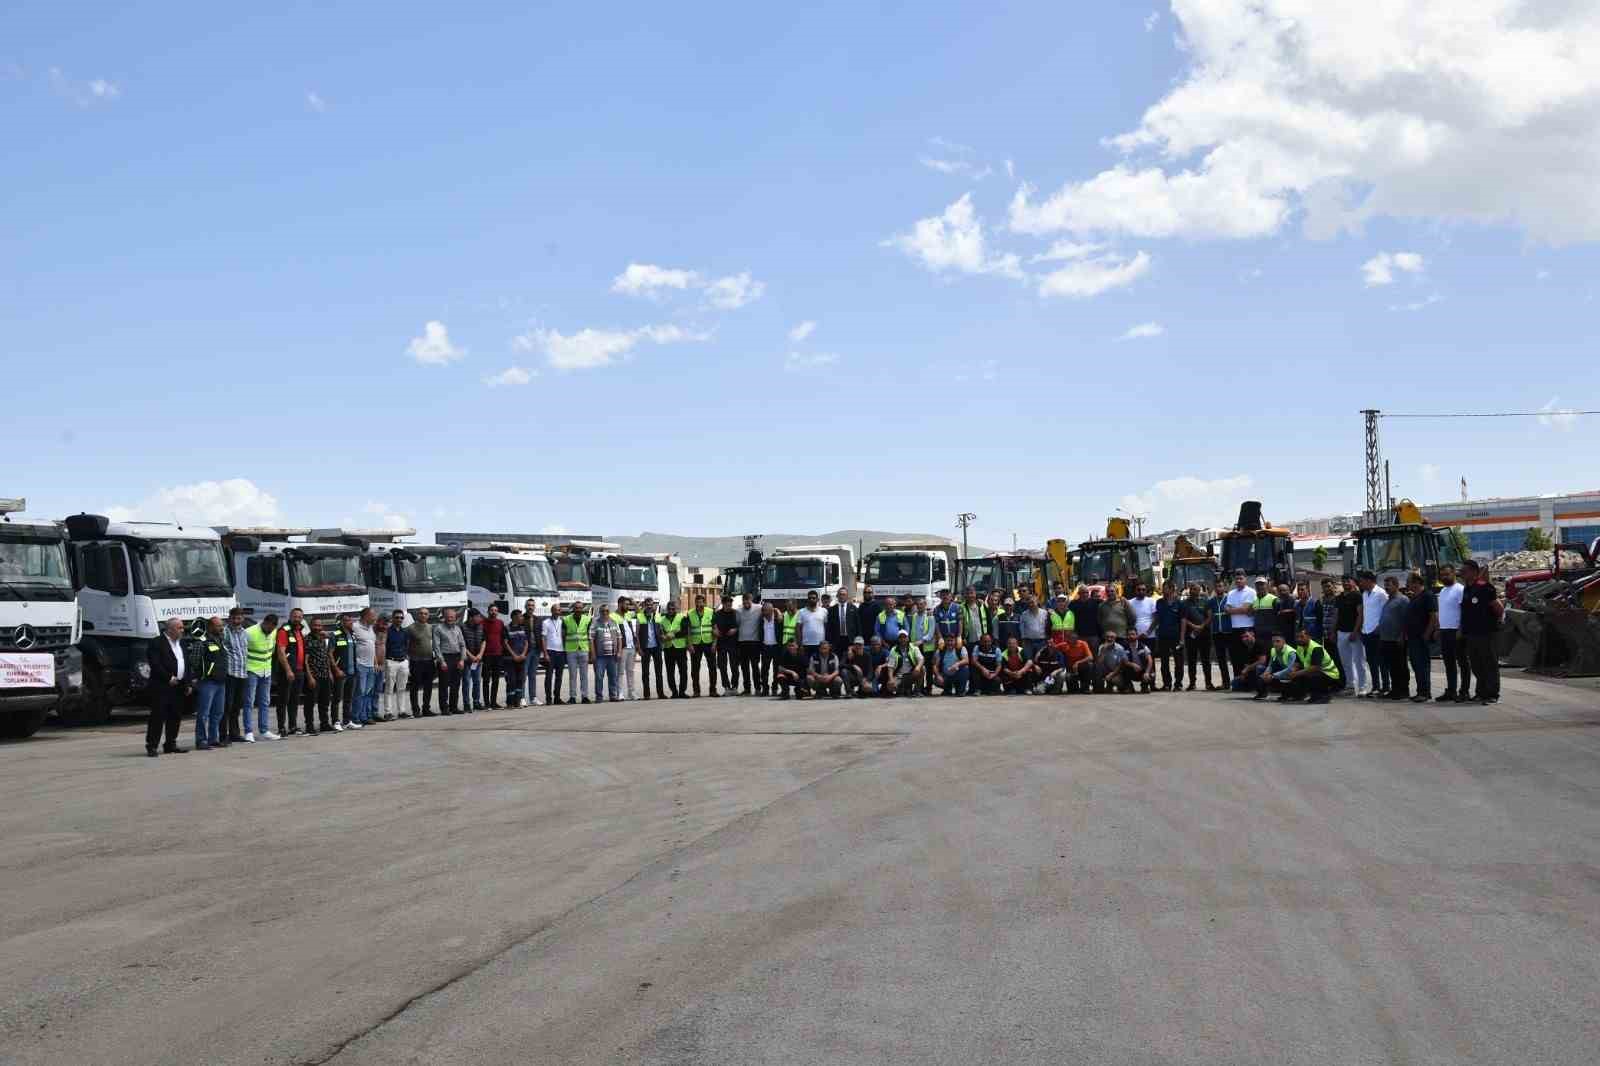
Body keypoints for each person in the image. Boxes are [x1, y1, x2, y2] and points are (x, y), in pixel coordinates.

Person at [144, 618, 190, 756]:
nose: (182, 631)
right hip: (162, 686)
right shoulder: (156, 642)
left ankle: (170, 743)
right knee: (158, 716)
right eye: (179, 628)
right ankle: (152, 745)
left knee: (175, 715)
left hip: (179, 686)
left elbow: (186, 663)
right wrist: (168, 678)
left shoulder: (182, 643)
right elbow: (155, 663)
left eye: (182, 628)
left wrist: (187, 683)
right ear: (170, 629)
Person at [1459, 559, 1502, 704]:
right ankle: (1481, 692)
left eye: (1464, 571)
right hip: (1471, 633)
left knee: (1489, 663)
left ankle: (1492, 694)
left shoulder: (1485, 587)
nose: (1462, 574)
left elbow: (1498, 608)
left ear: (1473, 572)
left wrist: (1492, 624)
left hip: (1486, 632)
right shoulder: (1466, 589)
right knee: (1476, 664)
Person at [1432, 564, 1467, 702]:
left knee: (1462, 662)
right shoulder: (1443, 591)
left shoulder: (1460, 590)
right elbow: (1442, 612)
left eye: (1447, 574)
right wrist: (1438, 629)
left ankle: (1464, 691)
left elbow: (1464, 611)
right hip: (1445, 631)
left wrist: (1460, 629)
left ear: (1454, 574)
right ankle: (1451, 690)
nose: (1444, 577)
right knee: (1449, 663)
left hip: (1456, 631)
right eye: (1442, 575)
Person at [1278, 627, 1341, 703]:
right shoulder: (1300, 647)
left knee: (1311, 675)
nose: (1299, 639)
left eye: (1302, 637)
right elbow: (1297, 663)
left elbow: (1316, 667)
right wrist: (1291, 671)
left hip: (1330, 674)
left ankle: (1324, 696)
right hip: (1316, 672)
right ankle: (1299, 695)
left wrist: (1296, 673)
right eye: (1297, 637)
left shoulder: (1316, 648)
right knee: (1293, 674)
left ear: (1309, 637)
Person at [242, 612, 278, 741]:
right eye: (269, 628)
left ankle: (264, 730)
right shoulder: (249, 632)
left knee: (265, 702)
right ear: (265, 622)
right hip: (251, 670)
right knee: (249, 702)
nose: (271, 631)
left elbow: (271, 651)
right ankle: (248, 732)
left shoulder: (274, 632)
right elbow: (242, 652)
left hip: (266, 671)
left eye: (273, 629)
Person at [192, 616, 227, 750]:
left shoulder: (221, 640)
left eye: (221, 625)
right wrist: (198, 677)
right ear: (211, 627)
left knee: (218, 712)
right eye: (218, 626)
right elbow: (194, 661)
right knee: (203, 713)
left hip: (221, 682)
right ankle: (201, 740)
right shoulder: (201, 641)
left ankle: (214, 739)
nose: (221, 628)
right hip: (207, 682)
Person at [274, 607, 309, 735]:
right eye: (295, 616)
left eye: (300, 617)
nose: (297, 619)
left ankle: (292, 726)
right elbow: (281, 652)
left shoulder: (299, 631)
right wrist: (288, 670)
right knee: (283, 700)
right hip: (287, 672)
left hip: (299, 671)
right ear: (290, 616)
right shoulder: (284, 631)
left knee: (294, 700)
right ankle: (281, 728)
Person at [1378, 575, 1410, 701]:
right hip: (1386, 639)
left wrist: (1402, 636)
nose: (1386, 588)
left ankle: (1404, 690)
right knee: (1392, 666)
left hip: (1397, 639)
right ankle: (1395, 689)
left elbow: (1406, 620)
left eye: (1388, 585)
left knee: (1400, 665)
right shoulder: (1388, 600)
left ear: (1396, 585)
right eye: (1385, 585)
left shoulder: (1403, 600)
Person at [1404, 572, 1436, 702]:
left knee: (1422, 665)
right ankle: (1420, 691)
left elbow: (1433, 617)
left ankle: (1425, 692)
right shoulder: (1415, 597)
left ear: (1417, 583)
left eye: (1409, 582)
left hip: (1421, 637)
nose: (1407, 585)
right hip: (1412, 637)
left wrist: (1427, 634)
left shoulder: (1428, 596)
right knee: (1416, 665)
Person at [1358, 570, 1389, 697]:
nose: (1360, 583)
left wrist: (1379, 627)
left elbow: (1386, 612)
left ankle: (1386, 686)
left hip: (1377, 632)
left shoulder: (1381, 593)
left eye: (1362, 580)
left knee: (1381, 661)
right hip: (1366, 631)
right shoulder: (1365, 594)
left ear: (1369, 580)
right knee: (1371, 662)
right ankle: (1376, 686)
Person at [301, 618, 333, 734]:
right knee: (310, 703)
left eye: (320, 625)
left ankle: (324, 724)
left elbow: (325, 657)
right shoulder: (307, 640)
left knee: (324, 702)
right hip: (314, 676)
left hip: (324, 674)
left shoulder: (322, 639)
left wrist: (329, 672)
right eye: (315, 625)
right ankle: (309, 726)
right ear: (310, 626)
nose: (318, 628)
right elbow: (305, 661)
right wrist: (310, 677)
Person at [221, 607, 249, 744]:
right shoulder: (225, 632)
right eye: (234, 618)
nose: (236, 621)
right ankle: (223, 735)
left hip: (242, 674)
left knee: (237, 706)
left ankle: (235, 733)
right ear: (229, 618)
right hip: (230, 674)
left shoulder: (244, 633)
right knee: (227, 705)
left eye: (239, 618)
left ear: (242, 619)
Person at [431, 607, 466, 714]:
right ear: (444, 617)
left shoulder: (457, 629)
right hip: (445, 658)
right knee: (444, 685)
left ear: (455, 617)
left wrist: (462, 659)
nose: (450, 619)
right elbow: (436, 646)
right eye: (448, 617)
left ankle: (453, 707)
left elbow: (462, 645)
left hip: (457, 658)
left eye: (452, 617)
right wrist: (441, 661)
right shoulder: (438, 628)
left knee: (456, 684)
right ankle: (444, 708)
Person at [1336, 576, 1366, 696]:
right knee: (1345, 662)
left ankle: (1362, 687)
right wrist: (1333, 631)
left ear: (1354, 583)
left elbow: (1360, 614)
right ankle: (1350, 686)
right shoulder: (1339, 597)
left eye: (1348, 581)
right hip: (1341, 632)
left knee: (1359, 661)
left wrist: (1355, 631)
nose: (1345, 583)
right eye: (1343, 581)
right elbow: (1336, 615)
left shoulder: (1358, 596)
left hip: (1355, 633)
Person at [1179, 584, 1212, 690]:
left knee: (1206, 660)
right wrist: (1194, 627)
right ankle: (1192, 683)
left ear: (1200, 591)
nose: (1195, 591)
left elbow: (1209, 616)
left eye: (1197, 590)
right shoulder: (1184, 603)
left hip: (1204, 634)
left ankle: (1208, 683)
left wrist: (1201, 627)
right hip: (1191, 635)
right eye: (1193, 589)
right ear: (1190, 590)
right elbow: (1183, 619)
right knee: (1191, 660)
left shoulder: (1205, 601)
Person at [1223, 570, 1257, 674]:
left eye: (1241, 578)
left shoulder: (1251, 592)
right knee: (1235, 656)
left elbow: (1246, 609)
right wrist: (1240, 609)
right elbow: (1227, 609)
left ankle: (1249, 682)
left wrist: (1233, 610)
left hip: (1247, 627)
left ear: (1245, 579)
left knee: (1248, 655)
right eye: (1236, 579)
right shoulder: (1231, 593)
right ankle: (1238, 681)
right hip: (1234, 628)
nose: (1238, 581)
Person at [406, 607, 437, 717]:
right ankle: (415, 709)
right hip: (416, 661)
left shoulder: (430, 627)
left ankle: (426, 709)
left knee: (428, 686)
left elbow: (434, 643)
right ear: (417, 615)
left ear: (428, 616)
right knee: (414, 687)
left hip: (429, 661)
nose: (423, 615)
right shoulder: (410, 628)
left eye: (426, 614)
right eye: (421, 613)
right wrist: (408, 661)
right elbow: (406, 645)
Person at [1152, 582, 1182, 691]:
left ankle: (1178, 684)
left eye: (1165, 589)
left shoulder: (1179, 603)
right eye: (1163, 589)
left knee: (1178, 661)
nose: (1163, 591)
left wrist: (1182, 638)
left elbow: (1183, 621)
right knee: (1164, 662)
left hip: (1176, 636)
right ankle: (1167, 683)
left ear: (1171, 589)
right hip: (1163, 636)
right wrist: (1150, 631)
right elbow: (1157, 619)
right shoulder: (1159, 602)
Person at [686, 594, 718, 697]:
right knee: (695, 669)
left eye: (701, 602)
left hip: (708, 643)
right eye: (698, 602)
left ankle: (713, 690)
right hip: (695, 644)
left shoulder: (710, 612)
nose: (699, 604)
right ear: (695, 603)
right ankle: (696, 691)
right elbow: (688, 630)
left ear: (704, 603)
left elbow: (715, 629)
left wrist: (714, 644)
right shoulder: (690, 613)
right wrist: (689, 644)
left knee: (712, 668)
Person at [351, 607, 378, 725]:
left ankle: (364, 716)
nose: (375, 618)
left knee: (368, 692)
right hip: (361, 665)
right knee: (360, 693)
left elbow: (372, 646)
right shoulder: (355, 626)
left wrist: (375, 662)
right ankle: (355, 718)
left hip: (371, 665)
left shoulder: (371, 628)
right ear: (366, 616)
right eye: (373, 616)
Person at [560, 601, 591, 704]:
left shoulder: (587, 619)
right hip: (571, 650)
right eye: (576, 608)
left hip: (584, 649)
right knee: (572, 675)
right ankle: (572, 697)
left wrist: (591, 651)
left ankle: (585, 696)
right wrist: (564, 649)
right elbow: (563, 636)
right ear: (573, 608)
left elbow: (589, 636)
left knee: (584, 675)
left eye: (580, 608)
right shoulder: (566, 619)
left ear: (582, 609)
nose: (578, 610)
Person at [591, 604, 623, 702]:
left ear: (609, 612)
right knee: (599, 676)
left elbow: (619, 638)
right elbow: (591, 639)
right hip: (600, 656)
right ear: (599, 612)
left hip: (612, 656)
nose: (605, 613)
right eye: (603, 611)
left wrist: (619, 652)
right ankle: (599, 697)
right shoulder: (595, 623)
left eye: (607, 611)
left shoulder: (614, 623)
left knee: (613, 676)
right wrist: (593, 654)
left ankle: (613, 696)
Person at [329, 614, 355, 730]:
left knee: (348, 698)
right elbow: (329, 653)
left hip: (352, 672)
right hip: (341, 672)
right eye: (346, 620)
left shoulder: (352, 635)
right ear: (341, 622)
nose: (349, 622)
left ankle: (347, 720)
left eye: (350, 620)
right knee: (337, 698)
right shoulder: (335, 635)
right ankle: (336, 722)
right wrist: (336, 669)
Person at [380, 610, 407, 719]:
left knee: (401, 688)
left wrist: (406, 658)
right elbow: (383, 647)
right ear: (392, 618)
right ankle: (388, 712)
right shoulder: (387, 631)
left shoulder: (404, 632)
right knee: (389, 688)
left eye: (401, 618)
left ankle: (402, 711)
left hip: (403, 662)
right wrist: (383, 661)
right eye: (397, 617)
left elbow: (406, 645)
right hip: (391, 661)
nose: (399, 620)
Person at [636, 600, 665, 699]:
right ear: (644, 606)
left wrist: (662, 641)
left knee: (659, 672)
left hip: (656, 647)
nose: (649, 606)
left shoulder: (657, 616)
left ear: (654, 606)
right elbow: (637, 634)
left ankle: (660, 693)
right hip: (645, 648)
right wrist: (639, 648)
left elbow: (660, 630)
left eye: (651, 605)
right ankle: (647, 694)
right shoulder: (640, 616)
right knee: (645, 672)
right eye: (647, 605)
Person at [1258, 634, 1301, 701]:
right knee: (1261, 673)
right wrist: (1266, 673)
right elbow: (1270, 665)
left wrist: (1273, 676)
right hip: (1282, 671)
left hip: (1292, 673)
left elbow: (1290, 669)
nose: (1275, 644)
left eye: (1278, 641)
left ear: (1284, 642)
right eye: (1273, 642)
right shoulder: (1273, 650)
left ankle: (1292, 695)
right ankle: (1262, 694)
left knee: (1288, 675)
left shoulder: (1291, 652)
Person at [880, 631, 924, 697]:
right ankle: (903, 689)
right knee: (890, 687)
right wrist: (891, 679)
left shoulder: (914, 648)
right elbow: (890, 666)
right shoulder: (894, 650)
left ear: (908, 638)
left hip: (911, 674)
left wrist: (917, 667)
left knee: (922, 668)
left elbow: (921, 659)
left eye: (904, 637)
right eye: (900, 637)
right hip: (899, 676)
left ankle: (917, 691)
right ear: (898, 639)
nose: (903, 639)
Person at [1053, 628, 1096, 693]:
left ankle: (1085, 688)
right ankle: (1074, 688)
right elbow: (1052, 648)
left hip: (1081, 666)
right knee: (1072, 690)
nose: (1073, 640)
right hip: (1070, 668)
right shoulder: (1064, 645)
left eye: (1075, 638)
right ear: (1068, 639)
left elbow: (1090, 657)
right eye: (1071, 638)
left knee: (1089, 665)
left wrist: (1077, 662)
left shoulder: (1083, 643)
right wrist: (1039, 652)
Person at [1206, 580, 1232, 689]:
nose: (1218, 588)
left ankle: (1237, 682)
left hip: (1229, 631)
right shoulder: (1211, 601)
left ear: (1224, 587)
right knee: (1221, 659)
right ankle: (1225, 682)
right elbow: (1209, 616)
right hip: (1217, 632)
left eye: (1220, 586)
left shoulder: (1229, 599)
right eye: (1216, 586)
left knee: (1233, 658)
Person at [907, 599, 937, 694]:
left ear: (925, 605)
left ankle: (928, 689)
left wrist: (921, 641)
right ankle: (918, 688)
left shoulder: (930, 616)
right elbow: (913, 631)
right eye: (918, 604)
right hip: (916, 647)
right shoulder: (914, 616)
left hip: (927, 647)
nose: (919, 606)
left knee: (928, 669)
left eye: (921, 604)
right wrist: (912, 643)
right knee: (918, 668)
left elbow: (931, 633)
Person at [660, 602, 690, 699]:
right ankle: (674, 692)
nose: (671, 611)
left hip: (680, 648)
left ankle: (682, 691)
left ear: (676, 609)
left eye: (673, 609)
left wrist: (673, 635)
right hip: (668, 648)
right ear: (667, 609)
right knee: (670, 671)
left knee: (683, 671)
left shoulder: (682, 617)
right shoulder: (662, 620)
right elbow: (661, 633)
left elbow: (685, 631)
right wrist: (663, 637)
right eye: (670, 609)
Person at [712, 594, 739, 696]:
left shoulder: (736, 613)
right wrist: (714, 632)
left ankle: (734, 687)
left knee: (734, 666)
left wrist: (735, 629)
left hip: (733, 643)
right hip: (722, 643)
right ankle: (726, 687)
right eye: (727, 604)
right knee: (722, 666)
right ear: (723, 604)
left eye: (730, 604)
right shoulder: (717, 614)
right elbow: (713, 626)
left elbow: (740, 625)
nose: (729, 606)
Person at [735, 593, 762, 695]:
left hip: (754, 642)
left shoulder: (758, 608)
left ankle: (758, 688)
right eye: (744, 602)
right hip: (742, 643)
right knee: (744, 667)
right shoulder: (738, 611)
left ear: (751, 600)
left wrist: (777, 611)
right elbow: (736, 624)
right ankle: (747, 689)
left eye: (748, 601)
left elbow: (770, 608)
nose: (746, 603)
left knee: (755, 666)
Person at [1229, 629, 1272, 695]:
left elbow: (1262, 661)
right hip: (1254, 670)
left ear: (1252, 634)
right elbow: (1247, 664)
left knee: (1259, 668)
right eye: (1242, 637)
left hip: (1268, 669)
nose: (1244, 639)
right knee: (1234, 683)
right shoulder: (1245, 647)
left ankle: (1263, 691)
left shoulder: (1260, 643)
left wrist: (1247, 668)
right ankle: (1252, 686)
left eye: (1246, 636)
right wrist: (1243, 674)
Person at [460, 608, 485, 712]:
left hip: (478, 660)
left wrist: (480, 655)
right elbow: (462, 644)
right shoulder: (462, 627)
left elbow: (484, 641)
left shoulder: (480, 627)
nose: (480, 618)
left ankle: (476, 702)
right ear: (471, 617)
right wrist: (470, 656)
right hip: (467, 660)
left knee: (477, 681)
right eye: (478, 616)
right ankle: (466, 703)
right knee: (466, 681)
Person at [542, 604, 567, 706]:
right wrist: (545, 653)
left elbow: (565, 636)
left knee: (559, 677)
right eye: (556, 610)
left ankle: (557, 698)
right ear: (551, 611)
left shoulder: (562, 622)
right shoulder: (546, 622)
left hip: (561, 652)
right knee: (548, 676)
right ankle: (548, 698)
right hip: (550, 651)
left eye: (559, 610)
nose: (558, 612)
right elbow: (543, 638)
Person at [615, 598, 639, 701]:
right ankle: (619, 693)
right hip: (622, 648)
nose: (628, 607)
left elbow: (639, 612)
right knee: (620, 672)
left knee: (631, 671)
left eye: (629, 605)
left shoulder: (628, 615)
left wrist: (632, 601)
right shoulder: (613, 616)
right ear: (620, 604)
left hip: (631, 647)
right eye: (626, 604)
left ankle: (631, 692)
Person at [505, 610, 530, 707]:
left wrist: (523, 654)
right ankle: (510, 702)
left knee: (520, 680)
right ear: (515, 617)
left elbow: (526, 642)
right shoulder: (507, 628)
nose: (522, 618)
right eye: (520, 616)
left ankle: (517, 701)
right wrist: (514, 655)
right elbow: (505, 643)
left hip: (522, 658)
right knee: (511, 681)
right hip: (510, 660)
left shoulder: (523, 628)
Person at [826, 591, 860, 658]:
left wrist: (858, 639)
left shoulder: (853, 608)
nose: (842, 596)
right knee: (837, 659)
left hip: (850, 639)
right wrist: (829, 641)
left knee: (851, 659)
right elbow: (829, 627)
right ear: (837, 596)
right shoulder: (832, 610)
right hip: (836, 640)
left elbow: (858, 625)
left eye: (844, 594)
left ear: (847, 596)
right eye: (840, 594)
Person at [1015, 592, 1048, 661]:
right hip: (1028, 642)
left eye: (1033, 602)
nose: (1031, 604)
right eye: (1029, 603)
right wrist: (1023, 641)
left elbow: (1047, 627)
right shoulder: (1024, 615)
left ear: (1037, 602)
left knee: (1040, 660)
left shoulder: (1045, 613)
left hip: (1041, 642)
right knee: (1028, 660)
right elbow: (1022, 629)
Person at [757, 603, 781, 694]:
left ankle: (774, 687)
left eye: (766, 610)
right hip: (765, 648)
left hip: (776, 648)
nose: (764, 612)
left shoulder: (778, 619)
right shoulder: (761, 620)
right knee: (764, 669)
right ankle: (765, 688)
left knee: (776, 669)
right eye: (763, 610)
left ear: (771, 611)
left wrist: (777, 611)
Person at [1070, 585, 1102, 653]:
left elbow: (1108, 602)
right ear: (1079, 593)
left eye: (1087, 592)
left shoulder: (1095, 602)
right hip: (1080, 636)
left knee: (1095, 655)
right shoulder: (1073, 604)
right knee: (1082, 655)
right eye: (1083, 592)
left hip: (1093, 635)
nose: (1085, 594)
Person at [797, 591, 828, 660]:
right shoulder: (801, 612)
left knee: (819, 666)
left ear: (817, 599)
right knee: (806, 666)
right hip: (806, 644)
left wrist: (826, 643)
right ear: (807, 599)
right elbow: (798, 629)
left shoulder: (824, 611)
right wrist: (800, 644)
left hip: (820, 644)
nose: (811, 599)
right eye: (810, 598)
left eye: (813, 598)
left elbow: (826, 627)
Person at [1128, 583, 1157, 649]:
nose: (1141, 591)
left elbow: (1156, 619)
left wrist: (1148, 632)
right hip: (1135, 637)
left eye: (1143, 589)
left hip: (1150, 636)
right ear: (1135, 590)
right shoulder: (1129, 602)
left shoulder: (1152, 601)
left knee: (1150, 657)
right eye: (1139, 589)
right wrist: (1133, 635)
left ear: (1146, 590)